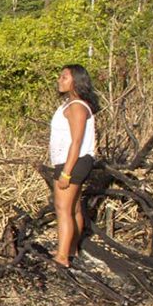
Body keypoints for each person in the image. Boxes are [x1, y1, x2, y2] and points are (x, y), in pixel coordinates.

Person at [49, 64, 100, 268]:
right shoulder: (71, 105)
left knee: (63, 209)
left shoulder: (77, 106)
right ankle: (71, 249)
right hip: (72, 161)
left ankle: (62, 257)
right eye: (60, 76)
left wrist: (66, 173)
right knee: (75, 208)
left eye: (65, 77)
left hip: (73, 162)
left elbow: (76, 142)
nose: (60, 80)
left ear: (76, 81)